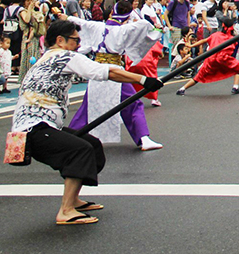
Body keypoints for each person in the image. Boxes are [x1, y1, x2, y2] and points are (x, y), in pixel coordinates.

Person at [11, 19, 162, 225]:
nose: (79, 45)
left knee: (91, 144)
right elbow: (107, 71)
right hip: (34, 129)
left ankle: (73, 199)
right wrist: (142, 80)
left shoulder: (44, 58)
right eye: (75, 40)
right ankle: (65, 211)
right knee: (79, 150)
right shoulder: (64, 56)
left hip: (38, 127)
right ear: (60, 40)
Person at [63, 3, 164, 151]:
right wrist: (155, 29)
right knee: (133, 103)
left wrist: (66, 17)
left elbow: (80, 23)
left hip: (97, 70)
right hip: (116, 72)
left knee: (89, 105)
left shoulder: (96, 26)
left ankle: (71, 137)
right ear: (127, 16)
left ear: (112, 12)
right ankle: (144, 138)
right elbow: (146, 27)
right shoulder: (125, 29)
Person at [176, 16, 239, 96]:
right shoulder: (231, 38)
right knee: (237, 67)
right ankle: (235, 87)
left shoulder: (216, 35)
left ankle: (182, 88)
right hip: (224, 59)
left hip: (211, 58)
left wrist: (191, 46)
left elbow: (204, 40)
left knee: (199, 76)